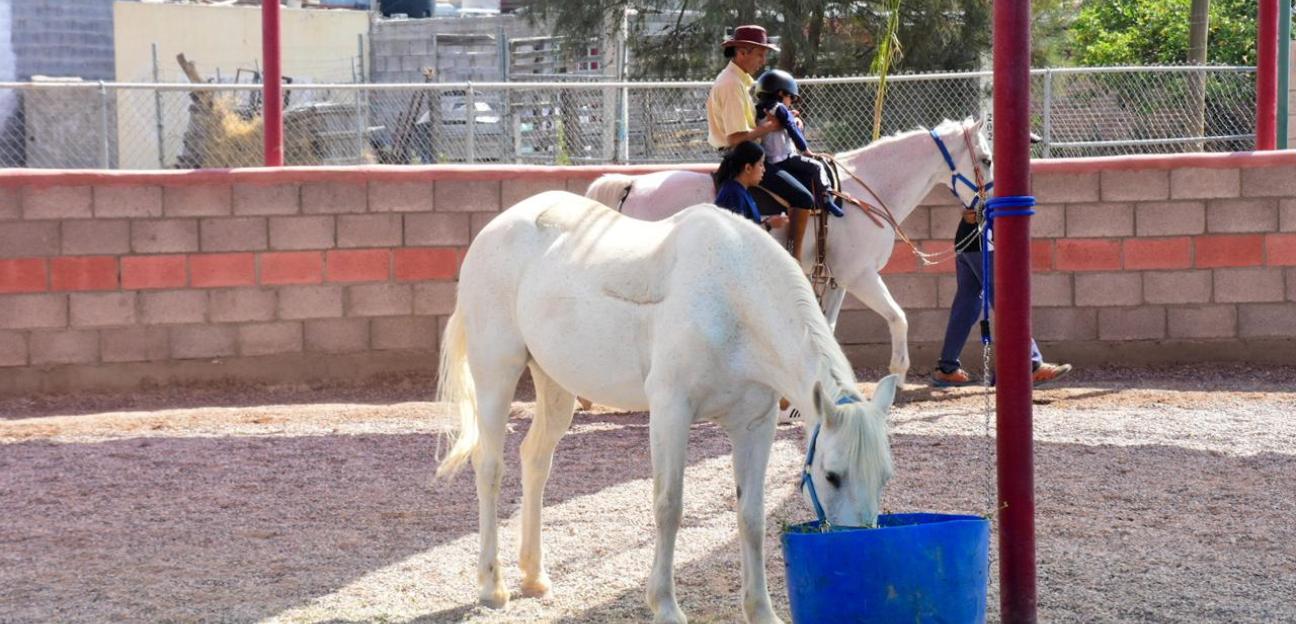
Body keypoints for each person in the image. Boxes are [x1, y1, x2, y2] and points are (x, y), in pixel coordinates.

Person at [931, 206, 1073, 387]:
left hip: (968, 240)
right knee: (1006, 303)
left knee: (966, 307)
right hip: (985, 242)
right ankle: (1032, 364)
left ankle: (947, 369)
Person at [753, 69, 844, 219]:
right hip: (786, 158)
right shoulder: (780, 108)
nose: (791, 102)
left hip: (770, 160)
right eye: (791, 97)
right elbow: (792, 129)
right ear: (781, 93)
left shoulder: (757, 110)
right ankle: (827, 198)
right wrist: (806, 150)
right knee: (817, 166)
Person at [706, 25, 780, 152]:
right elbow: (735, 139)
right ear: (742, 53)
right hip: (740, 157)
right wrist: (771, 126)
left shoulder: (735, 80)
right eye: (760, 55)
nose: (763, 61)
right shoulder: (731, 84)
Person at [713, 140, 789, 232]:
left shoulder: (740, 190)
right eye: (761, 165)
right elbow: (738, 233)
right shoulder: (733, 194)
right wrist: (768, 224)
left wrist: (769, 222)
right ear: (748, 168)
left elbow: (749, 227)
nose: (764, 170)